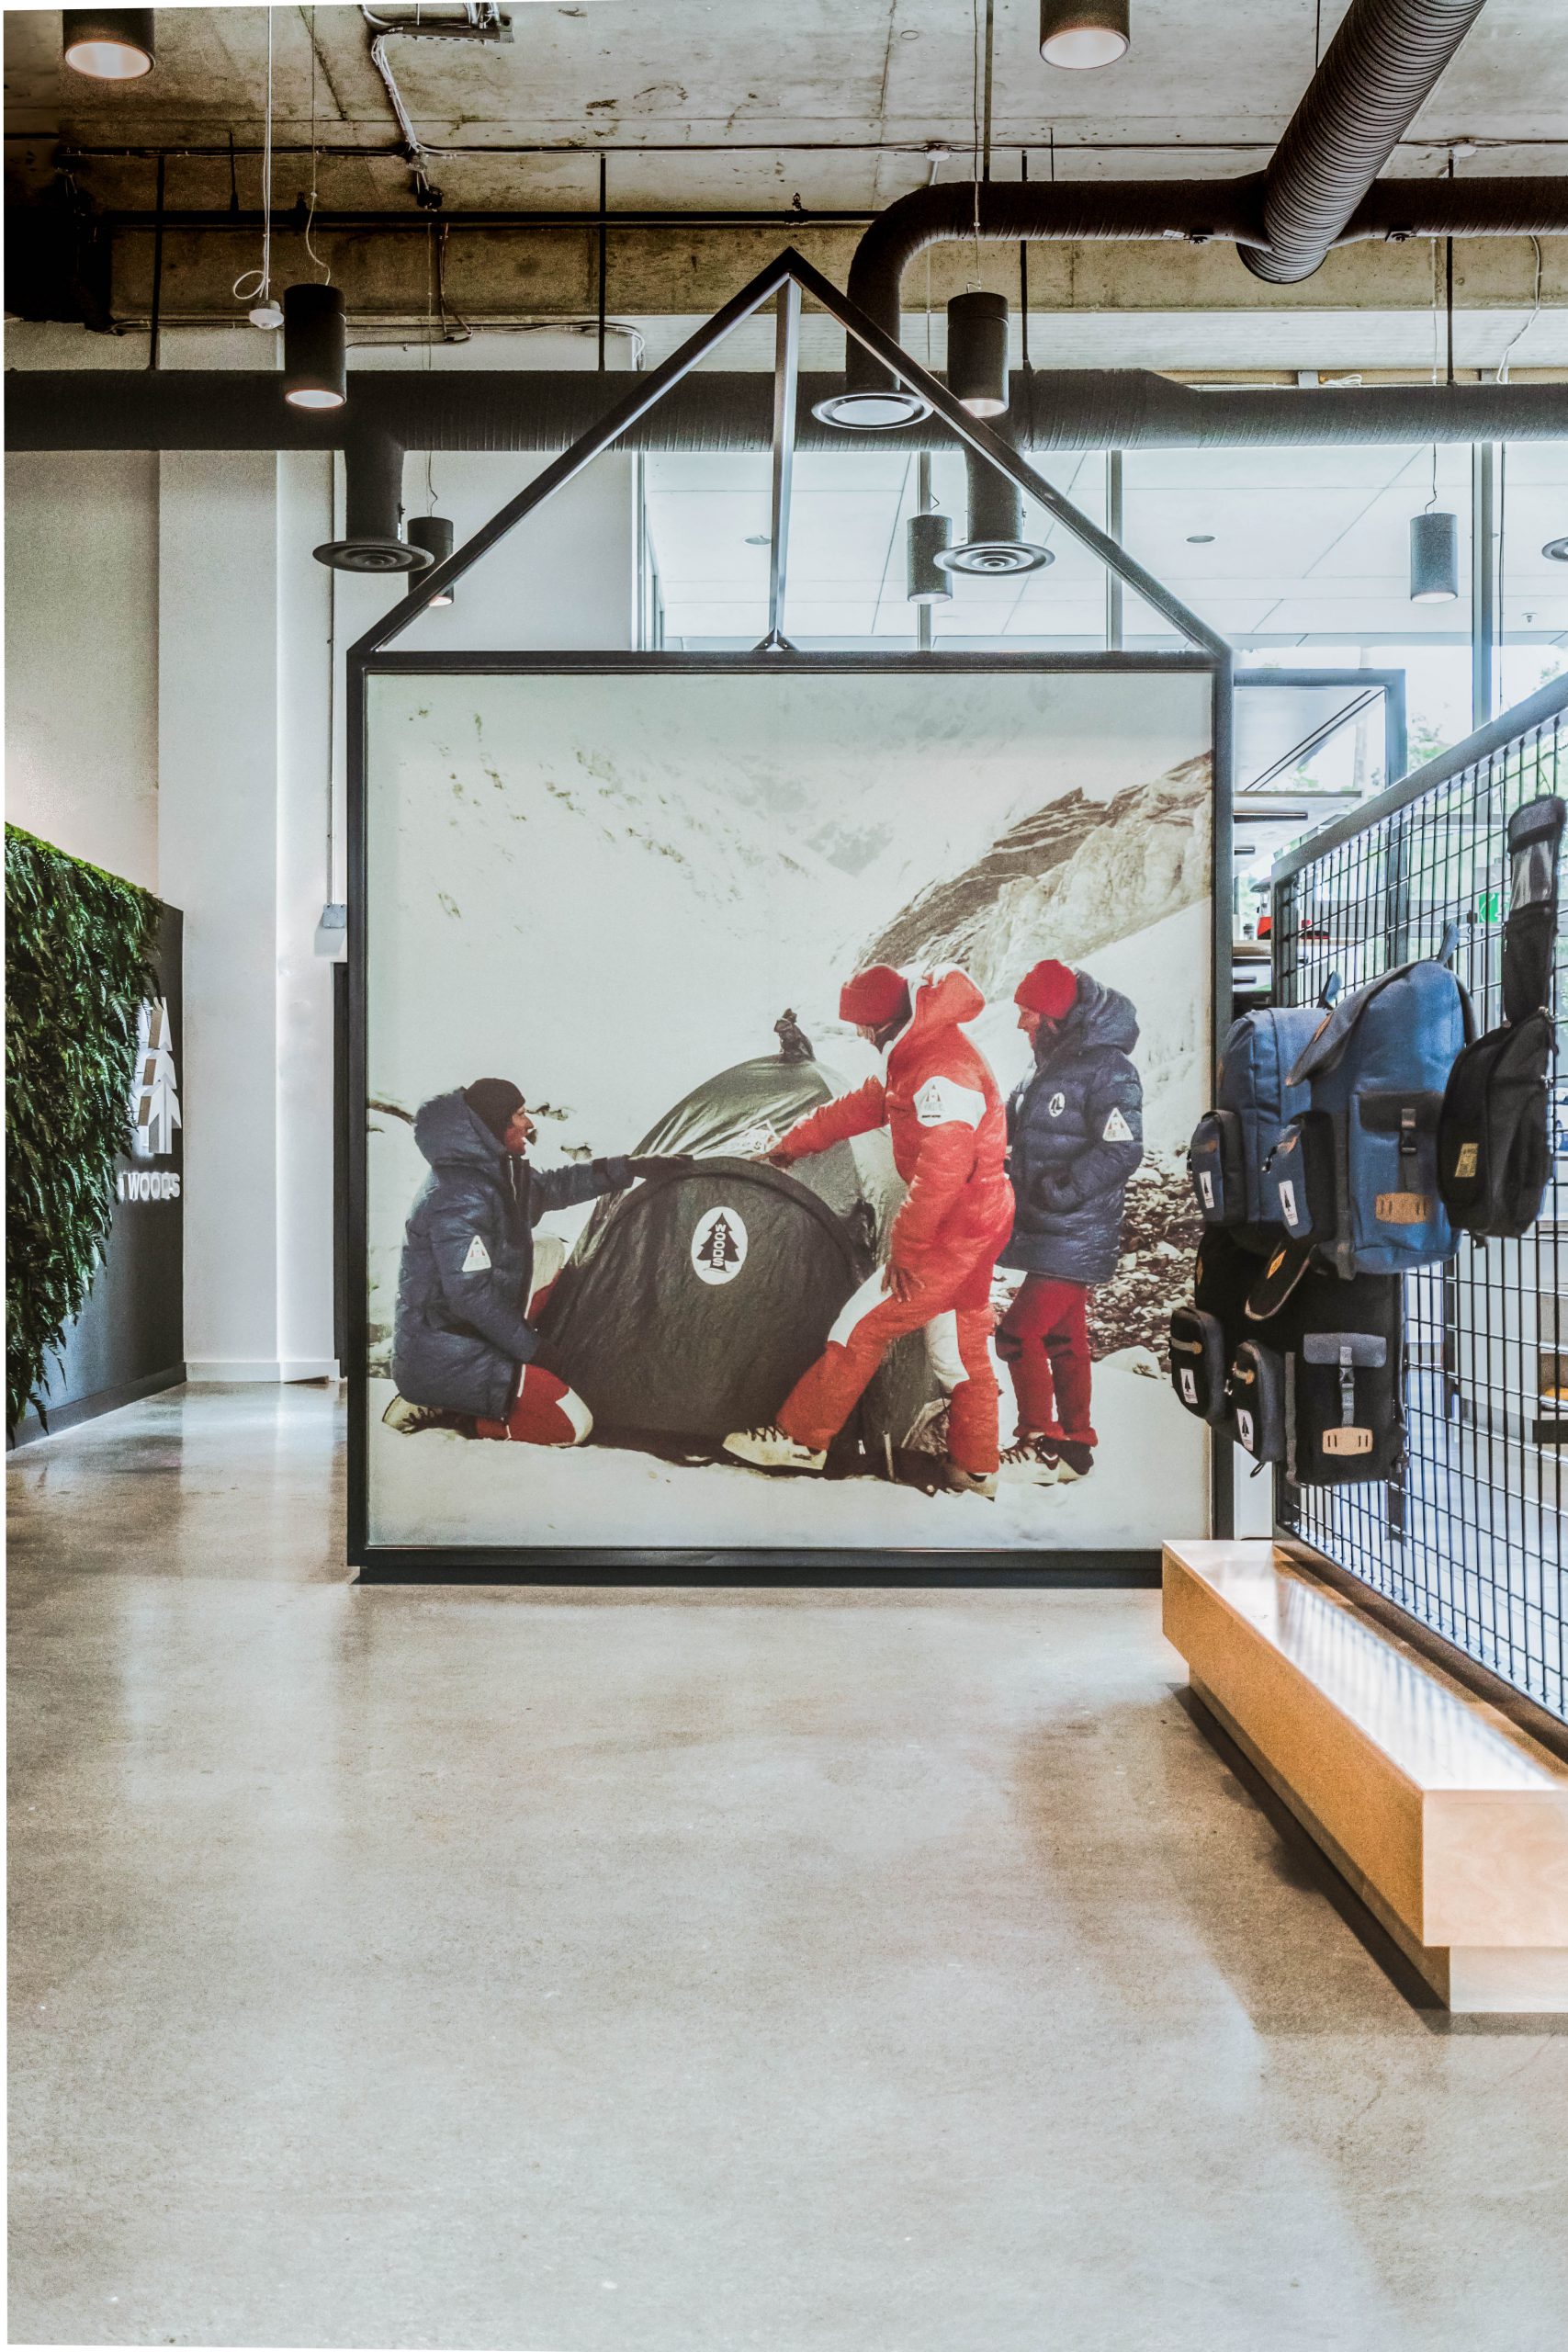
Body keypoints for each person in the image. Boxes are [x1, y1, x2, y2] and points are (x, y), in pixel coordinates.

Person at [722, 963, 1013, 1498]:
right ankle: (976, 1469)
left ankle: (801, 1439)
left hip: (952, 1230)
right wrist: (793, 1142)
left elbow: (942, 1174)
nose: (857, 1033)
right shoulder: (921, 1050)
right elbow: (861, 1107)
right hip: (980, 1221)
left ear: (880, 1022)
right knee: (958, 1346)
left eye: (860, 1024)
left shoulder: (940, 1073)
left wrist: (907, 1248)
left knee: (861, 1325)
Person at [384, 1079, 684, 1444]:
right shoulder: (460, 1196)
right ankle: (455, 1413)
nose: (529, 1124)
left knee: (547, 1250)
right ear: (493, 1125)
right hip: (445, 1356)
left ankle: (470, 1392)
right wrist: (533, 1349)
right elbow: (469, 1296)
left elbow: (552, 1188)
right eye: (519, 1115)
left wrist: (631, 1167)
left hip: (473, 1339)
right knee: (568, 1424)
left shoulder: (493, 1173)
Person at [995, 960, 1144, 1487]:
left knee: (1017, 1335)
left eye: (1029, 1013)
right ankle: (1076, 1443)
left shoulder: (1109, 1070)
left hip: (1076, 1230)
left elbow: (1123, 1148)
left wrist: (1064, 1188)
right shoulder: (1047, 1068)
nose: (1021, 1024)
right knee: (1063, 1340)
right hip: (1051, 1231)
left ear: (1057, 1015)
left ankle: (1038, 1441)